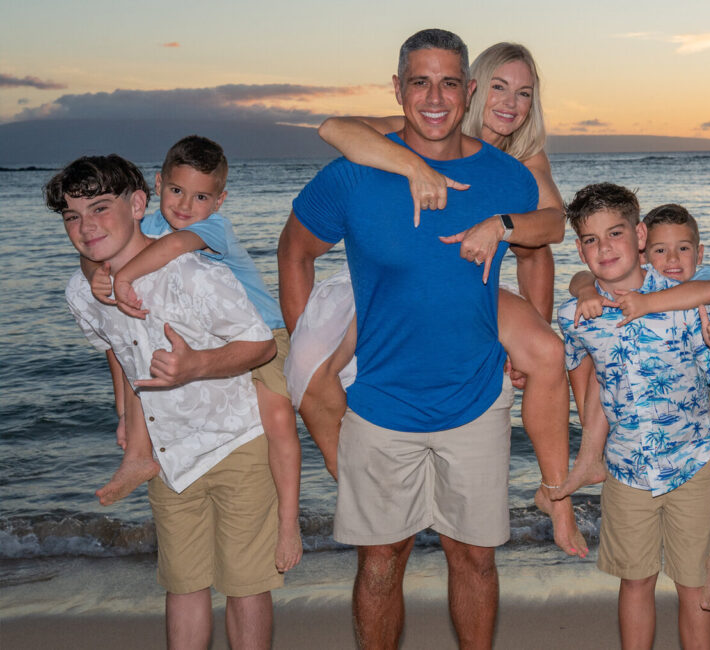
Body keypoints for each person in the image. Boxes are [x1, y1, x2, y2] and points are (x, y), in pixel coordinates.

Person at [277, 29, 581, 648]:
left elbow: (543, 241)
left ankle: (558, 495)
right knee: (380, 561)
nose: (435, 97)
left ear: (465, 90)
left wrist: (528, 335)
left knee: (474, 560)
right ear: (399, 89)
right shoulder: (355, 173)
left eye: (448, 83)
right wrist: (308, 336)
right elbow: (294, 250)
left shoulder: (510, 175)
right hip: (378, 405)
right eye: (420, 82)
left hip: (476, 401)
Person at [48, 154, 281, 648]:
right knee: (183, 583)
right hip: (168, 455)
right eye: (72, 216)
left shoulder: (192, 273)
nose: (86, 227)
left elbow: (261, 345)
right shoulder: (81, 293)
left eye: (100, 208)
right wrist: (126, 418)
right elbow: (117, 347)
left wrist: (197, 365)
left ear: (138, 204)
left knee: (245, 584)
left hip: (234, 443)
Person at [86, 135, 303, 573]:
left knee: (278, 420)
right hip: (211, 340)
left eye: (201, 197)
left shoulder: (212, 229)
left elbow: (172, 247)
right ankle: (134, 441)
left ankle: (287, 522)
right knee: (133, 350)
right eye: (176, 191)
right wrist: (95, 272)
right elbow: (101, 244)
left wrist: (122, 278)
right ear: (157, 185)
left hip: (265, 333)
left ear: (219, 201)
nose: (185, 205)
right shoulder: (149, 224)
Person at [557, 183, 710, 649]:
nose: (604, 248)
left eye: (615, 233)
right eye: (591, 240)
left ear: (640, 235)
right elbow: (570, 364)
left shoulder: (686, 301)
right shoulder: (575, 315)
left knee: (694, 585)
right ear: (580, 250)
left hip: (691, 464)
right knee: (635, 581)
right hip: (625, 470)